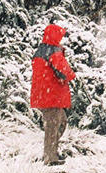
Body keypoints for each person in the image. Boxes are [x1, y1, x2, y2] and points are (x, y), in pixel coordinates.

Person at [30, 23, 76, 165]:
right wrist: (71, 75)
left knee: (58, 123)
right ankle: (50, 158)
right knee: (54, 125)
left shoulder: (41, 50)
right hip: (51, 96)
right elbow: (63, 72)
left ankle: (51, 153)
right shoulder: (53, 51)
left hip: (44, 95)